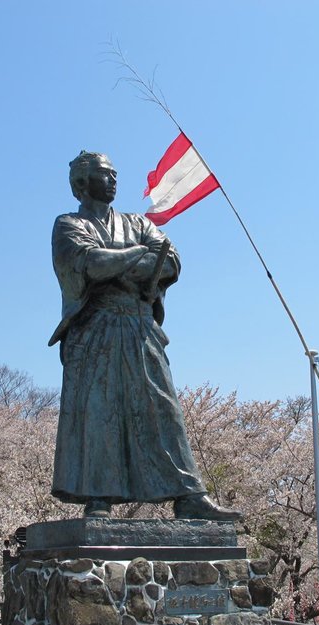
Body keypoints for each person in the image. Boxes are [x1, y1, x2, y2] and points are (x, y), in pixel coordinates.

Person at [49, 151, 242, 521]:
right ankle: (99, 497)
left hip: (139, 326)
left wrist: (119, 262)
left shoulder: (137, 222)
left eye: (115, 173)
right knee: (100, 410)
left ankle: (188, 495)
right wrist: (137, 255)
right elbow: (89, 263)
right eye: (106, 174)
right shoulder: (68, 224)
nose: (114, 179)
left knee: (161, 406)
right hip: (95, 328)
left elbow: (170, 262)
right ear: (81, 183)